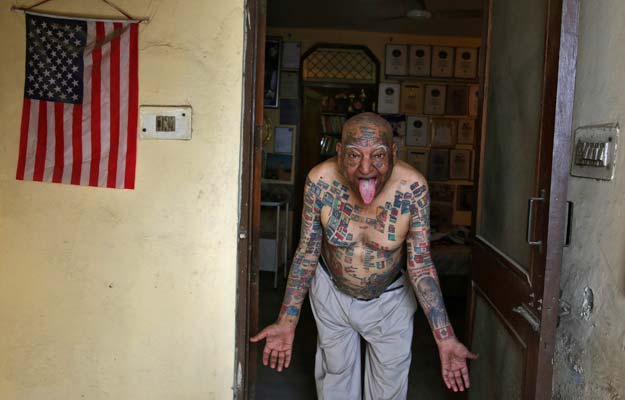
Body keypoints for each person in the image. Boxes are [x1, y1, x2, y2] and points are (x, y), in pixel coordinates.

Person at [251, 112, 477, 399]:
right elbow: (307, 250)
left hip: (391, 301)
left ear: (394, 153)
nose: (366, 168)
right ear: (340, 152)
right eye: (354, 156)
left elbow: (420, 264)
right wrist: (286, 321)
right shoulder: (320, 181)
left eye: (378, 155)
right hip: (332, 295)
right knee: (335, 383)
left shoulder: (413, 188)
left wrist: (445, 339)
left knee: (388, 389)